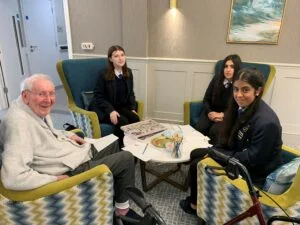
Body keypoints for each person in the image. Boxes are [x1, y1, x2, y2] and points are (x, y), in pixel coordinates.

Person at [0, 74, 140, 223]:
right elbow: (13, 177)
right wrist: (53, 178)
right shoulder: (19, 124)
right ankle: (122, 210)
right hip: (69, 168)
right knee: (126, 158)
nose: (48, 100)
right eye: (41, 94)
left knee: (113, 143)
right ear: (25, 95)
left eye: (51, 93)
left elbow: (46, 131)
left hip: (69, 154)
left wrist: (68, 135)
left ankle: (108, 197)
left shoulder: (30, 109)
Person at [180, 68, 282, 215]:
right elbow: (229, 134)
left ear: (258, 91)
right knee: (196, 153)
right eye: (236, 89)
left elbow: (254, 159)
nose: (238, 95)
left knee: (198, 164)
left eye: (245, 90)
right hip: (239, 152)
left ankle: (195, 205)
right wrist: (216, 150)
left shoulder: (266, 122)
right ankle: (198, 196)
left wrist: (216, 155)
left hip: (254, 169)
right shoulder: (241, 107)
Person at [89, 45, 140, 147]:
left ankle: (134, 147)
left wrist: (133, 108)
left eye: (122, 55)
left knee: (135, 119)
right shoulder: (103, 74)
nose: (120, 58)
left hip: (120, 107)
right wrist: (110, 111)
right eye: (116, 56)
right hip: (104, 108)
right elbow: (98, 96)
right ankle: (121, 148)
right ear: (110, 59)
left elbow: (131, 93)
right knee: (123, 122)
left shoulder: (128, 72)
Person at [195, 54, 242, 144]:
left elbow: (238, 107)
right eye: (226, 66)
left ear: (237, 69)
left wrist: (223, 115)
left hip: (226, 116)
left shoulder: (239, 84)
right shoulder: (217, 79)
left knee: (214, 131)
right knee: (199, 129)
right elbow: (206, 99)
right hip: (210, 112)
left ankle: (210, 153)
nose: (228, 70)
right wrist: (209, 112)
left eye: (232, 67)